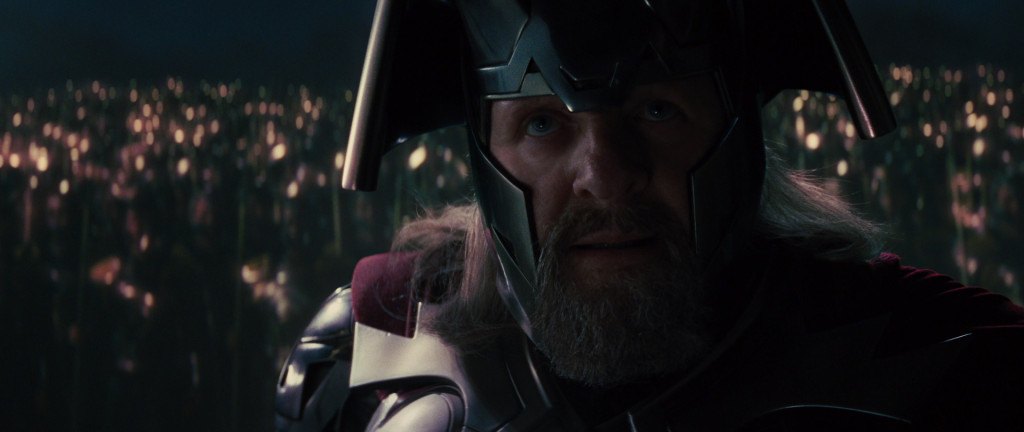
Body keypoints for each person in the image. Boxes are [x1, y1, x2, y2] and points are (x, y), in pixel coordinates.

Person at [275, 0, 1024, 431]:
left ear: (735, 135)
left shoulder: (943, 366)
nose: (605, 178)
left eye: (657, 111)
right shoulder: (372, 358)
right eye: (543, 124)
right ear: (484, 152)